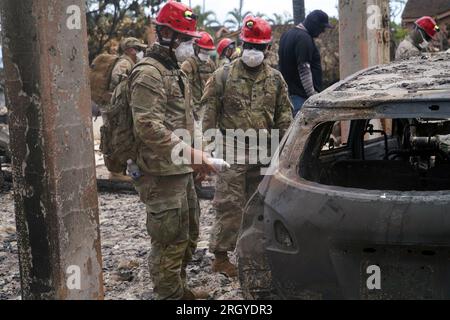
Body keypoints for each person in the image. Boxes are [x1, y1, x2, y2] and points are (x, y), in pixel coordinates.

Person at [128, 1, 215, 300]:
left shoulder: (173, 70)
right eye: (187, 39)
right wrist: (195, 156)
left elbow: (184, 121)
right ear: (166, 34)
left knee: (187, 237)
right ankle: (170, 298)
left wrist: (195, 160)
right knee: (168, 242)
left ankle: (180, 291)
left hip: (179, 168)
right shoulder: (149, 74)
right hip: (160, 173)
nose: (191, 45)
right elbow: (148, 127)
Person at [201, 16, 293, 277]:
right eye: (249, 45)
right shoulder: (223, 76)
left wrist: (285, 152)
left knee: (258, 205)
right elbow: (209, 115)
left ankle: (251, 252)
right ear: (241, 43)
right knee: (229, 204)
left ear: (268, 48)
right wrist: (208, 151)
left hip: (264, 152)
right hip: (231, 151)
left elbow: (284, 117)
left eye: (259, 47)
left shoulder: (275, 80)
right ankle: (220, 256)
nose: (253, 52)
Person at [279, 10, 333, 115]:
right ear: (314, 25)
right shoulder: (304, 38)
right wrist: (312, 96)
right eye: (321, 27)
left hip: (290, 95)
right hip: (301, 99)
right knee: (306, 131)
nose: (322, 31)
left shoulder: (286, 35)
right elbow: (304, 69)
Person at [181, 31, 217, 119]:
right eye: (204, 50)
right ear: (195, 48)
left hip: (208, 110)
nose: (206, 53)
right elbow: (183, 90)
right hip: (194, 111)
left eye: (208, 51)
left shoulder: (211, 64)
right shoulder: (188, 64)